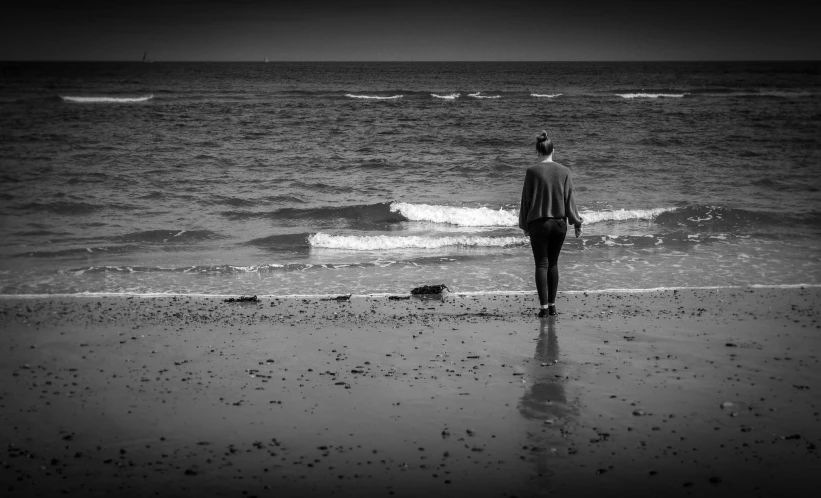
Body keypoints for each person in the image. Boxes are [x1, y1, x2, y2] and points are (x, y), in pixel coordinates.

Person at [519, 131, 583, 317]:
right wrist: (576, 222)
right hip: (559, 225)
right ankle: (553, 307)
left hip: (538, 224)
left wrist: (524, 224)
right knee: (553, 263)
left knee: (541, 264)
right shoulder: (565, 171)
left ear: (537, 152)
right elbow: (569, 200)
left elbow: (526, 201)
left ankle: (543, 309)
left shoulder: (531, 171)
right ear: (553, 150)